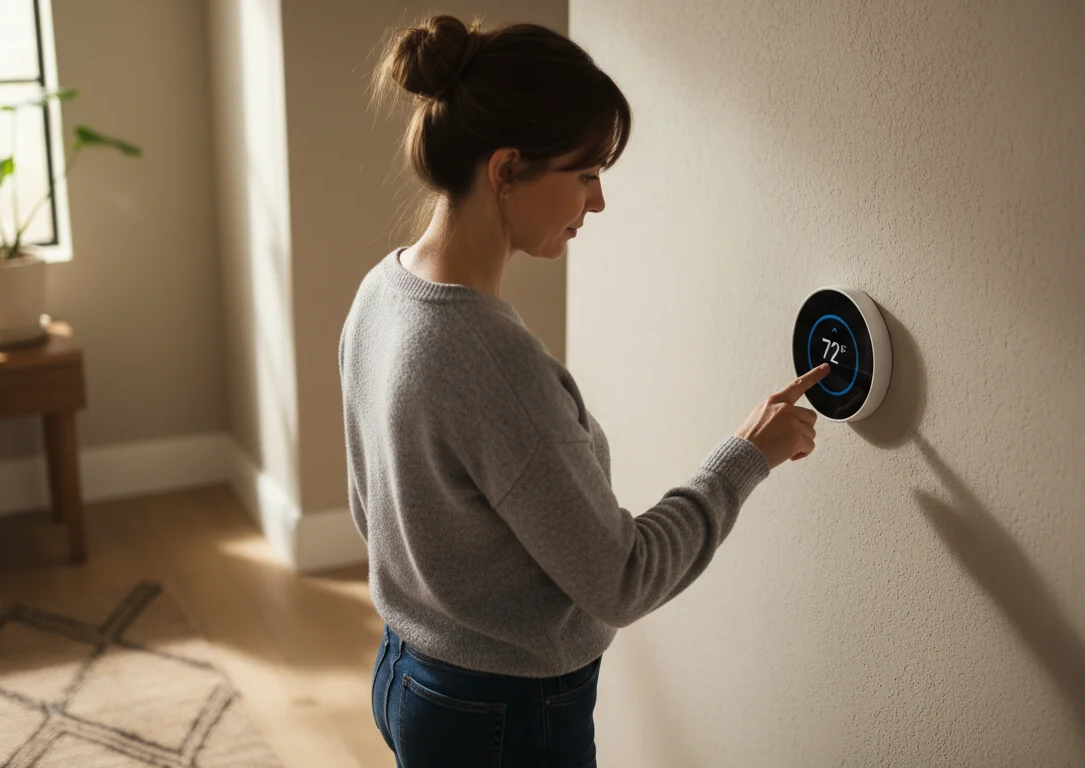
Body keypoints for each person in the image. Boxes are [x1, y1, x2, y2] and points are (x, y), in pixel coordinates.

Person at [339, 14, 829, 768]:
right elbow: (621, 579)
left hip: (409, 675)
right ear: (506, 169)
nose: (597, 204)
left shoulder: (384, 289)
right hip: (502, 716)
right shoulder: (493, 362)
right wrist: (747, 455)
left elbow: (378, 516)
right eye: (586, 173)